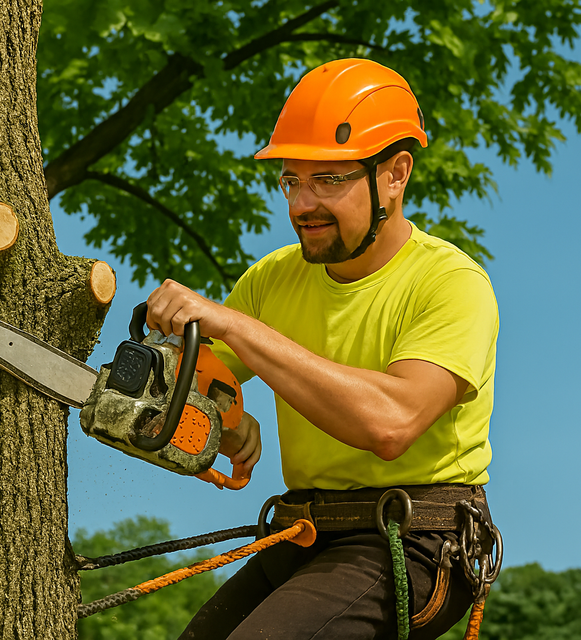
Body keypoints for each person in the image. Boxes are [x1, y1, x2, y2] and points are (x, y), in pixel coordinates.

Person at [145, 58, 499, 640]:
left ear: (395, 173)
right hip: (307, 529)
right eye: (292, 181)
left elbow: (392, 424)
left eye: (329, 179)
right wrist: (222, 420)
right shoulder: (272, 279)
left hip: (413, 536)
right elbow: (195, 380)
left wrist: (240, 329)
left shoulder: (451, 283)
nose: (301, 204)